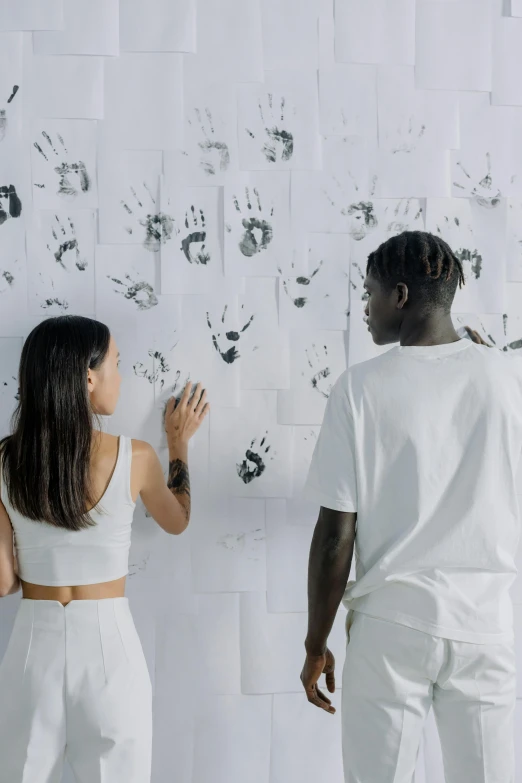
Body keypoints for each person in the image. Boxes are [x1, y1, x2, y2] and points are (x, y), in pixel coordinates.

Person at [301, 230, 522, 782]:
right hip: (486, 623)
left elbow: (335, 536)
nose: (366, 308)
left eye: (370, 293)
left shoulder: (358, 390)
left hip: (392, 626)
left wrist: (315, 644)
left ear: (401, 296)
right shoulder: (509, 380)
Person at [0, 315, 209, 783]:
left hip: (33, 648)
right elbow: (177, 521)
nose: (121, 374)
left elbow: (3, 581)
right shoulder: (135, 456)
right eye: (117, 362)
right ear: (88, 378)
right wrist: (178, 444)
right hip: (109, 649)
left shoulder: (5, 460)